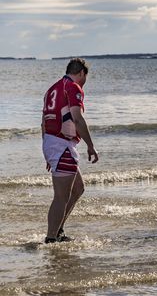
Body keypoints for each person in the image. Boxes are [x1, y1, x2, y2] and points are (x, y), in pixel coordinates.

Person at [42, 58, 99, 243]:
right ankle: (51, 239)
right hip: (62, 145)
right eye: (85, 77)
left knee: (78, 189)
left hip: (52, 143)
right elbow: (77, 119)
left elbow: (43, 122)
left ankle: (57, 231)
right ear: (82, 73)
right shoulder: (73, 87)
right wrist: (91, 146)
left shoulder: (52, 89)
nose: (85, 81)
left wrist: (48, 152)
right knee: (61, 196)